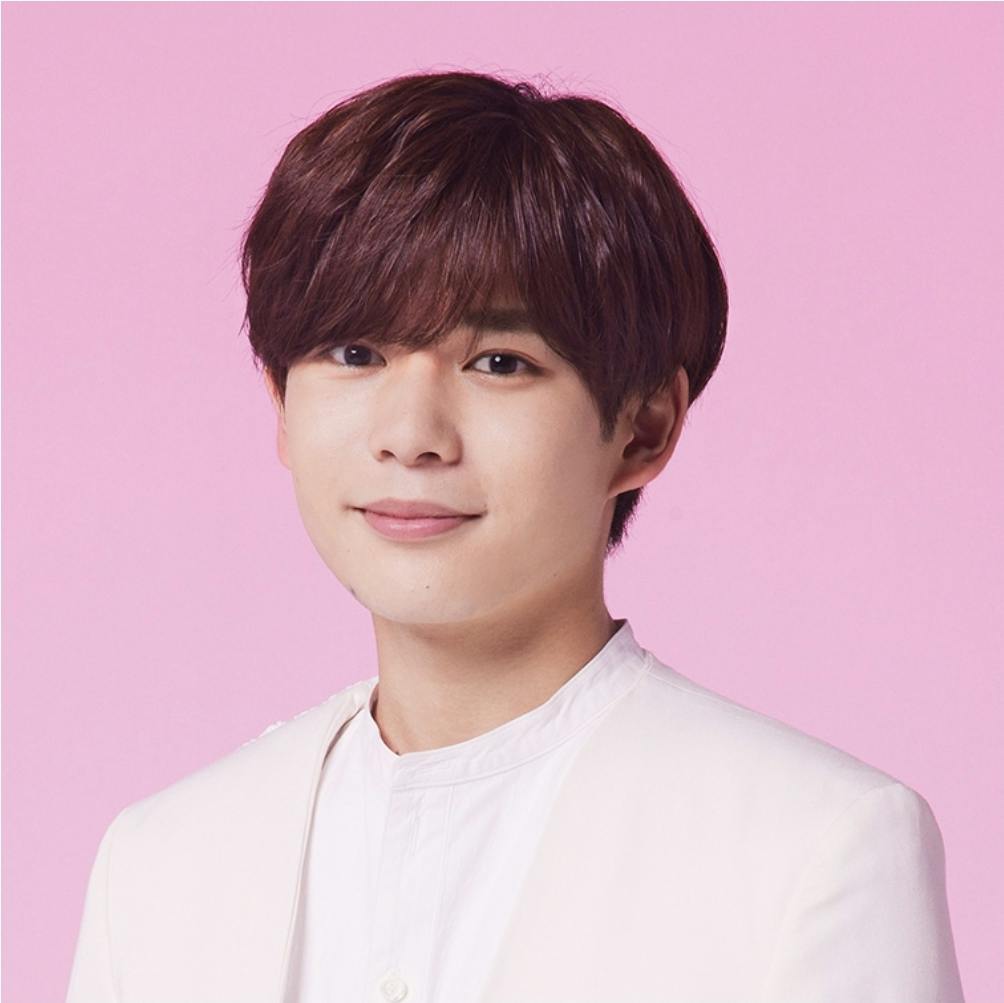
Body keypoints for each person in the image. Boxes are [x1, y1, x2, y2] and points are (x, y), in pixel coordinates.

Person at [66, 70, 965, 1003]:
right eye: (355, 353)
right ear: (282, 409)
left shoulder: (815, 847)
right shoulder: (159, 864)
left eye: (499, 362)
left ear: (644, 427)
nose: (410, 434)